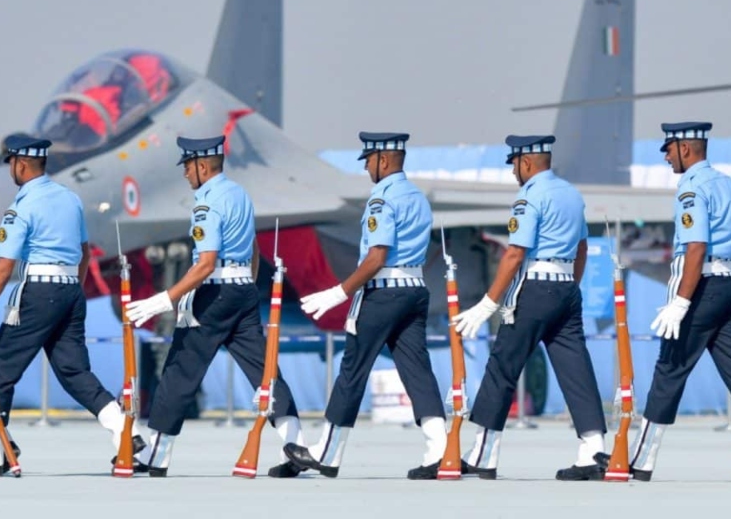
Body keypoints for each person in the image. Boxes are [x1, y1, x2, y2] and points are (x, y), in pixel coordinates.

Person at [0, 133, 139, 475]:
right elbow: (84, 252)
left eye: (11, 166)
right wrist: (69, 295)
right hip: (70, 292)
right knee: (74, 371)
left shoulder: (22, 206)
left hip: (37, 293)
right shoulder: (69, 199)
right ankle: (126, 431)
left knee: (0, 375)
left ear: (19, 164)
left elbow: (4, 268)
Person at [603, 122, 731, 481]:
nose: (667, 156)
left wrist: (682, 302)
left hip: (702, 286)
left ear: (686, 148)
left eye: (669, 149)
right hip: (730, 284)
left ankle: (641, 459)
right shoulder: (730, 185)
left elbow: (696, 246)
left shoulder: (692, 189)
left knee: (670, 368)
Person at [124, 135, 306, 477]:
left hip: (213, 292)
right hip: (242, 291)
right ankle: (295, 442)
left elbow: (205, 263)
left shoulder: (206, 204)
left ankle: (156, 456)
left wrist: (165, 299)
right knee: (264, 371)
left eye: (188, 167)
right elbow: (252, 247)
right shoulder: (240, 194)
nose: (185, 174)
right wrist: (247, 286)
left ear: (202, 166)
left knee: (180, 370)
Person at [283, 132, 447, 480]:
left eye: (369, 161)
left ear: (383, 161)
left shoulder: (382, 199)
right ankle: (441, 451)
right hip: (415, 290)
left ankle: (327, 453)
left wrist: (339, 292)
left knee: (352, 370)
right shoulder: (418, 197)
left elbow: (376, 256)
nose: (368, 168)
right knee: (418, 371)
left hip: (383, 291)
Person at [452, 135, 607, 480]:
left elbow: (514, 253)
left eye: (514, 164)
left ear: (526, 162)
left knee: (502, 367)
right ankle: (593, 450)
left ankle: (483, 454)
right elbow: (582, 248)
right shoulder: (571, 193)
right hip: (567, 287)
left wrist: (488, 302)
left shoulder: (529, 196)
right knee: (576, 370)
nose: (513, 172)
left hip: (534, 288)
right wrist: (569, 286)